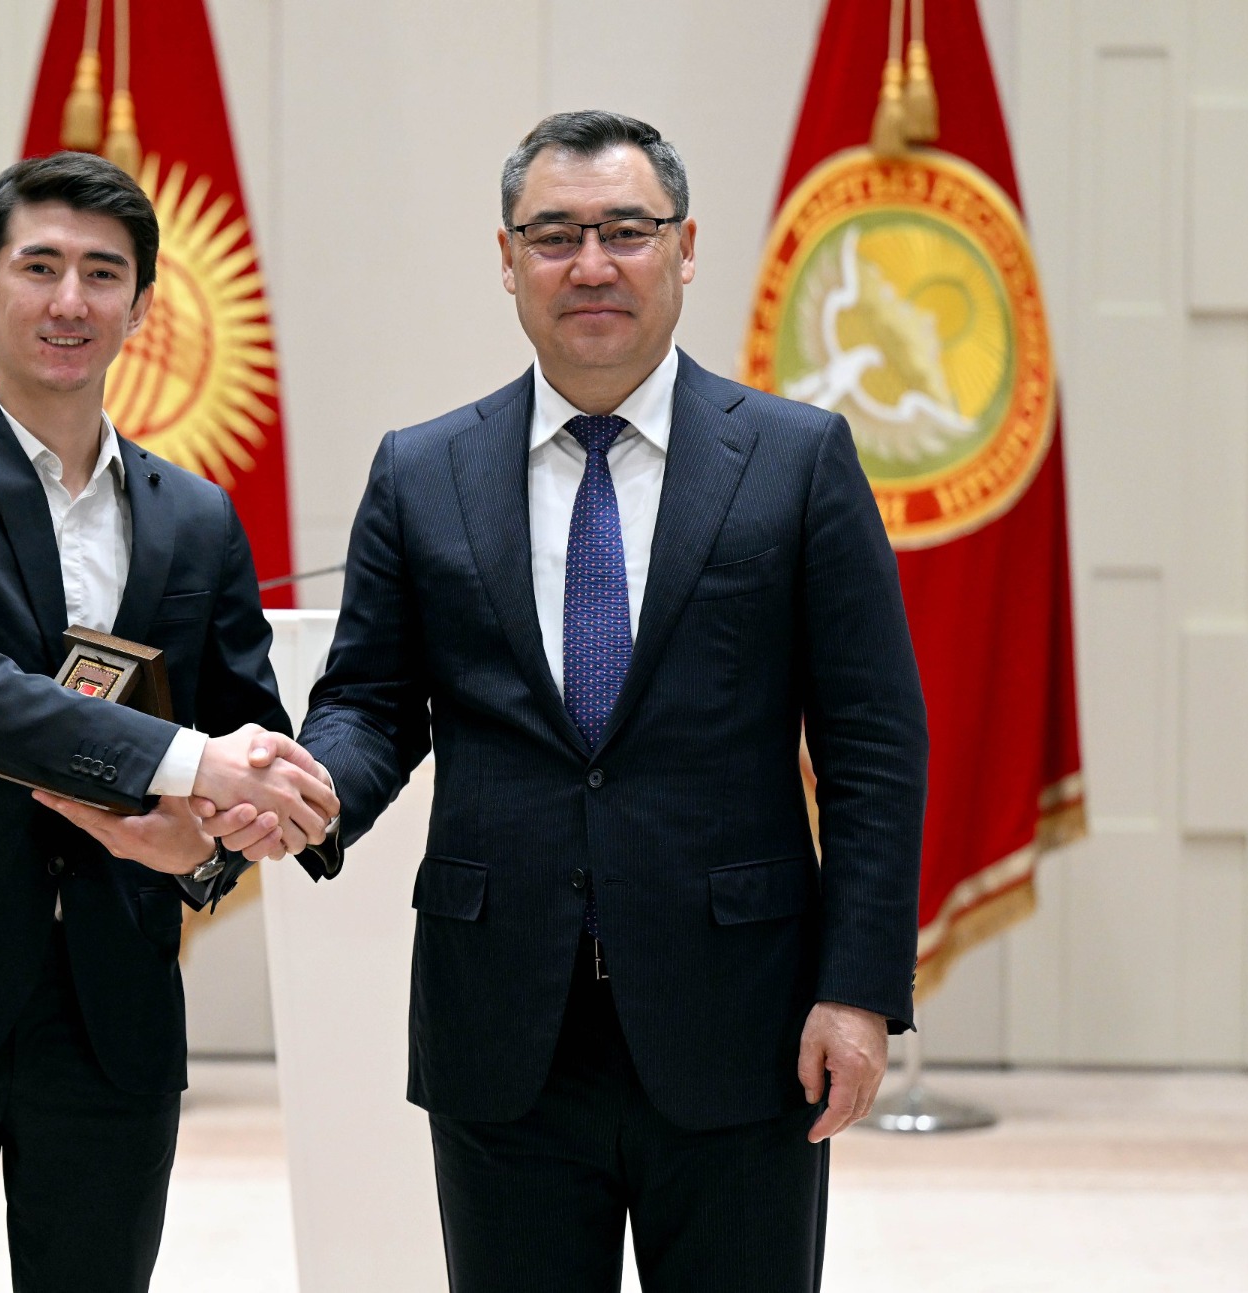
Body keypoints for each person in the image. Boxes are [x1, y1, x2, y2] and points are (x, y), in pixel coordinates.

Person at [203, 110, 927, 1292]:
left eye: (626, 230)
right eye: (554, 236)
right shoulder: (423, 471)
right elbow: (373, 704)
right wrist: (312, 791)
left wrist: (857, 991)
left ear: (685, 247)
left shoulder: (797, 462)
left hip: (740, 1021)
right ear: (507, 259)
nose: (591, 264)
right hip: (502, 1027)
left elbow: (873, 747)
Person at [0, 150, 335, 1293]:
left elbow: (244, 729)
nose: (69, 301)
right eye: (38, 267)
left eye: (103, 274)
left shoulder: (199, 519)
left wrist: (203, 851)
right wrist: (193, 764)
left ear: (141, 308)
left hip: (114, 1008)